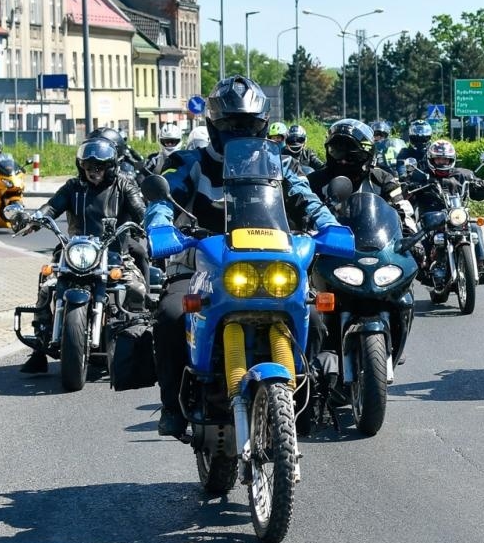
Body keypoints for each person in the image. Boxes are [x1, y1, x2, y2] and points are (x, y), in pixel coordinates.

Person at [144, 76, 341, 439]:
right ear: (213, 126)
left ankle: (307, 395)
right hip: (200, 263)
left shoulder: (279, 163)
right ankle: (172, 405)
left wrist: (329, 226)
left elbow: (305, 198)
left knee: (313, 311)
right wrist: (159, 226)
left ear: (262, 125)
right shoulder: (190, 161)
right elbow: (163, 197)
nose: (240, 132)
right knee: (172, 313)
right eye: (231, 125)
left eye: (248, 125)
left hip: (269, 261)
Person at [17, 136, 149, 374]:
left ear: (110, 166)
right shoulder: (72, 187)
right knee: (47, 286)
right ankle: (39, 347)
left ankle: (139, 344)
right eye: (88, 166)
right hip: (76, 253)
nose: (93, 171)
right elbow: (52, 206)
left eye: (98, 167)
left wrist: (150, 221)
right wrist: (35, 218)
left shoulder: (124, 185)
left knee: (136, 288)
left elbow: (140, 208)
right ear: (81, 166)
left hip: (114, 254)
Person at [404, 138, 484, 283]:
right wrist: (409, 187)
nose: (442, 162)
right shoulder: (421, 175)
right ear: (431, 160)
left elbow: (481, 193)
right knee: (421, 233)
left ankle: (479, 265)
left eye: (446, 160)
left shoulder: (464, 174)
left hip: (456, 215)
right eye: (438, 159)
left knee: (475, 227)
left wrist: (483, 186)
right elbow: (406, 192)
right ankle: (424, 263)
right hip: (432, 216)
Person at [305, 120, 414, 231]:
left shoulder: (383, 180)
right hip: (326, 245)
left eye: (352, 156)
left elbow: (403, 212)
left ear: (366, 156)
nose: (343, 161)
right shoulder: (315, 181)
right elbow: (300, 217)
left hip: (374, 244)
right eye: (337, 153)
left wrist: (410, 237)